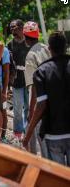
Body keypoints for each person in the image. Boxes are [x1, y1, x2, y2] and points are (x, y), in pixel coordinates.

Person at [23, 31, 70, 166]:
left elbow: (41, 105)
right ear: (65, 46)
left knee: (57, 177)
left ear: (49, 49)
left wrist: (28, 134)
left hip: (53, 134)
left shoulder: (41, 71)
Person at [23, 21, 51, 154]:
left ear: (25, 38)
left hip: (40, 101)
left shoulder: (30, 56)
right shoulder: (47, 48)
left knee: (40, 137)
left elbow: (34, 86)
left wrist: (31, 112)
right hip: (54, 97)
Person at [7, 19, 31, 139]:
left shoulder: (29, 42)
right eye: (11, 28)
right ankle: (18, 133)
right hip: (16, 81)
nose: (12, 30)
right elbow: (8, 64)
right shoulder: (10, 44)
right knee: (17, 108)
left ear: (22, 28)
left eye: (15, 27)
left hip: (29, 80)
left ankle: (28, 131)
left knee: (28, 107)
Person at [0, 47, 11, 142]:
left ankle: (3, 137)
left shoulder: (4, 50)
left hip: (0, 88)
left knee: (3, 111)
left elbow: (7, 72)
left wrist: (4, 91)